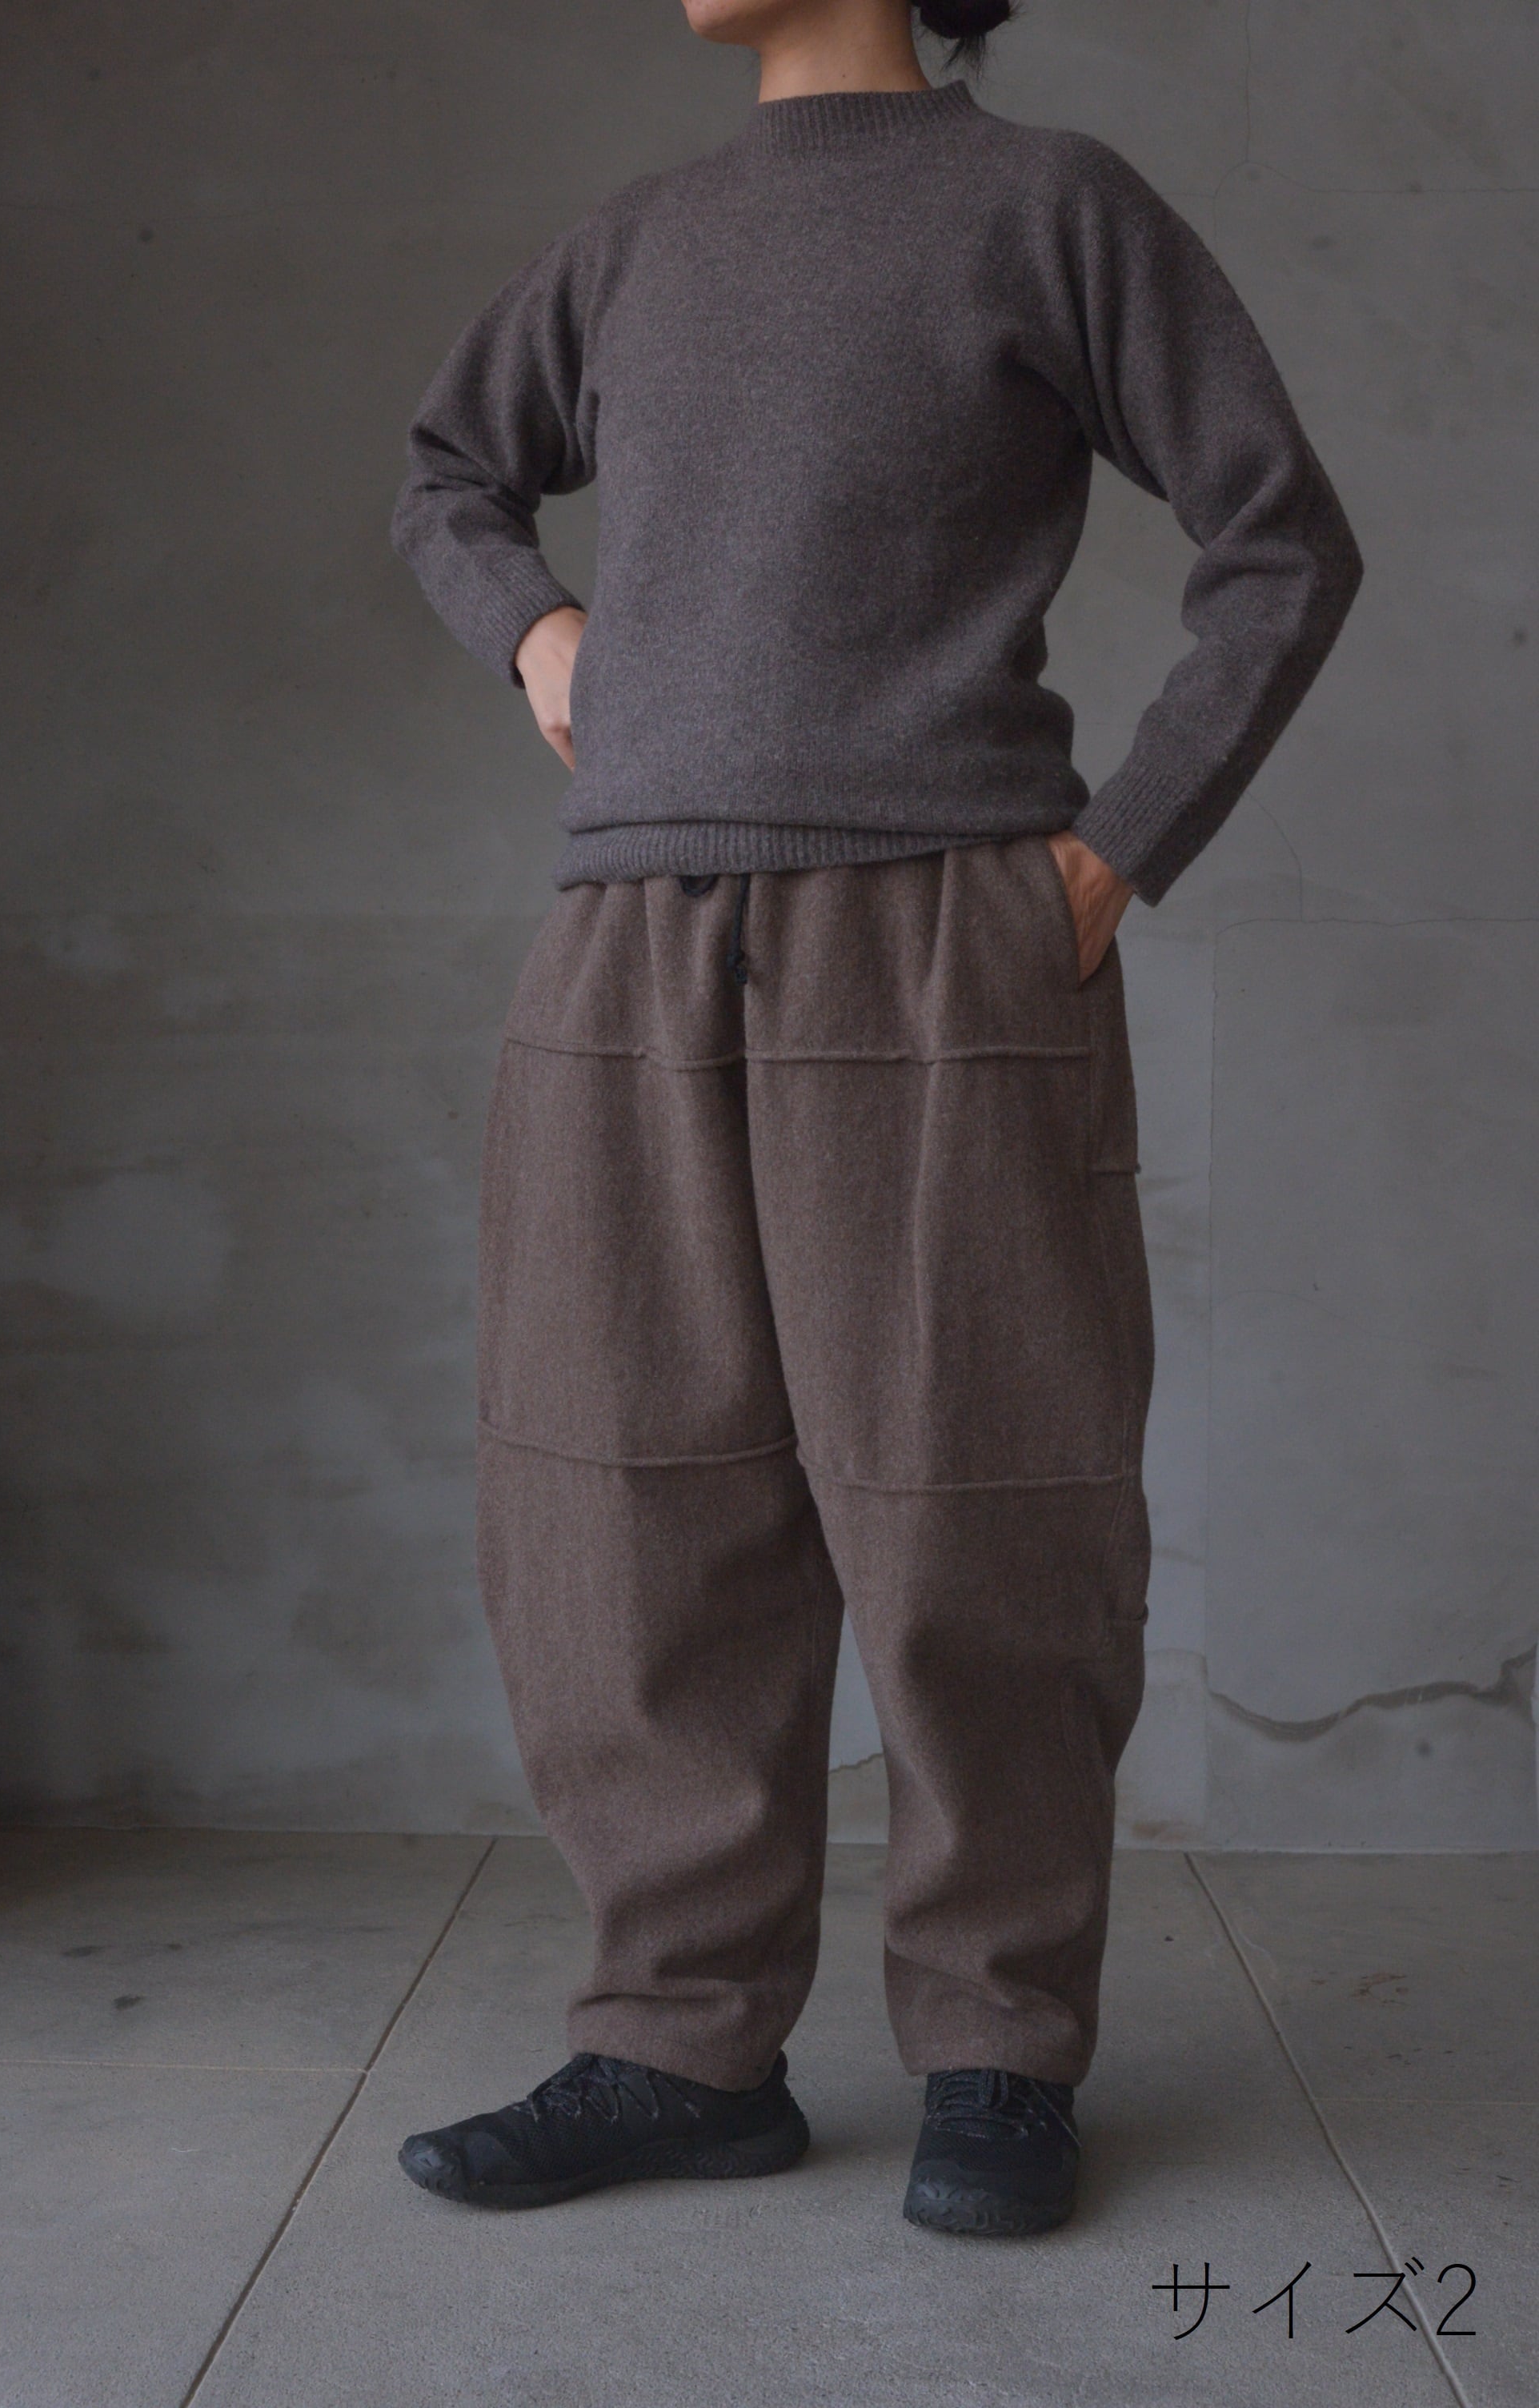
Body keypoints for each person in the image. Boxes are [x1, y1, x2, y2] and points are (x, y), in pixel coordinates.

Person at [389, 0, 1362, 2238]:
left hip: (945, 940)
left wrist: (1110, 859)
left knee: (979, 1505)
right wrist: (537, 629)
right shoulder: (639, 241)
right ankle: (678, 2049)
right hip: (631, 938)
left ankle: (1000, 2049)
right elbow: (450, 466)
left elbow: (1282, 542)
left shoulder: (1050, 207)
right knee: (618, 1504)